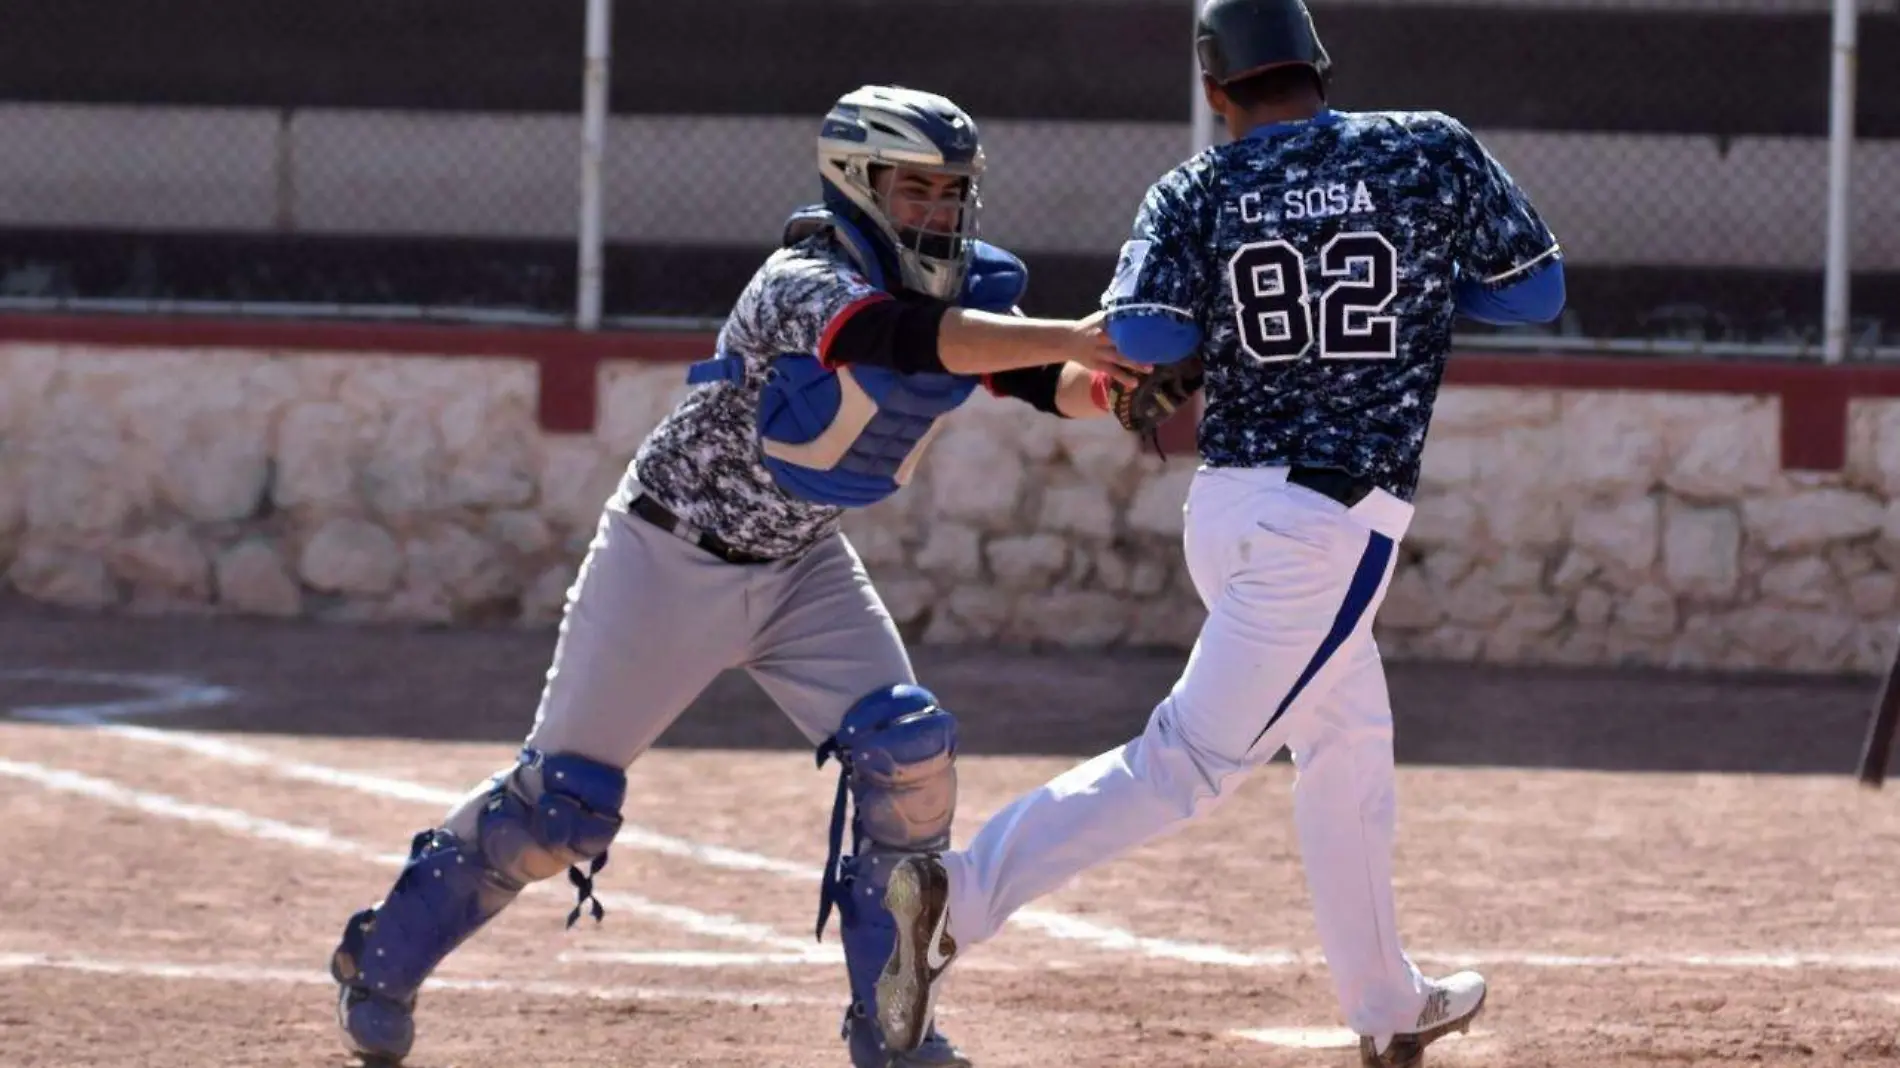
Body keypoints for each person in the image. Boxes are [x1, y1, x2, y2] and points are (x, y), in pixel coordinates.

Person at [325, 84, 1144, 1068]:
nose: (936, 211)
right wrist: (1076, 332)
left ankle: (891, 1029)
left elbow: (1037, 383)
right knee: (559, 809)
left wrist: (1116, 384)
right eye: (914, 189)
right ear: (857, 184)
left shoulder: (968, 291)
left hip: (801, 563)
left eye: (950, 191)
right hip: (668, 554)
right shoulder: (797, 280)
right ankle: (381, 956)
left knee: (910, 755)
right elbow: (899, 341)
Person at [870, 2, 1567, 1065]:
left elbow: (1145, 336)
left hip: (1230, 508)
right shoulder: (1426, 145)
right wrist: (1415, 282)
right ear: (1317, 67)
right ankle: (959, 895)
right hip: (1328, 525)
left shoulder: (1198, 184)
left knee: (1347, 741)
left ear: (1216, 91)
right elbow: (1538, 296)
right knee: (1186, 763)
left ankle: (1386, 1002)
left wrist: (1225, 312)